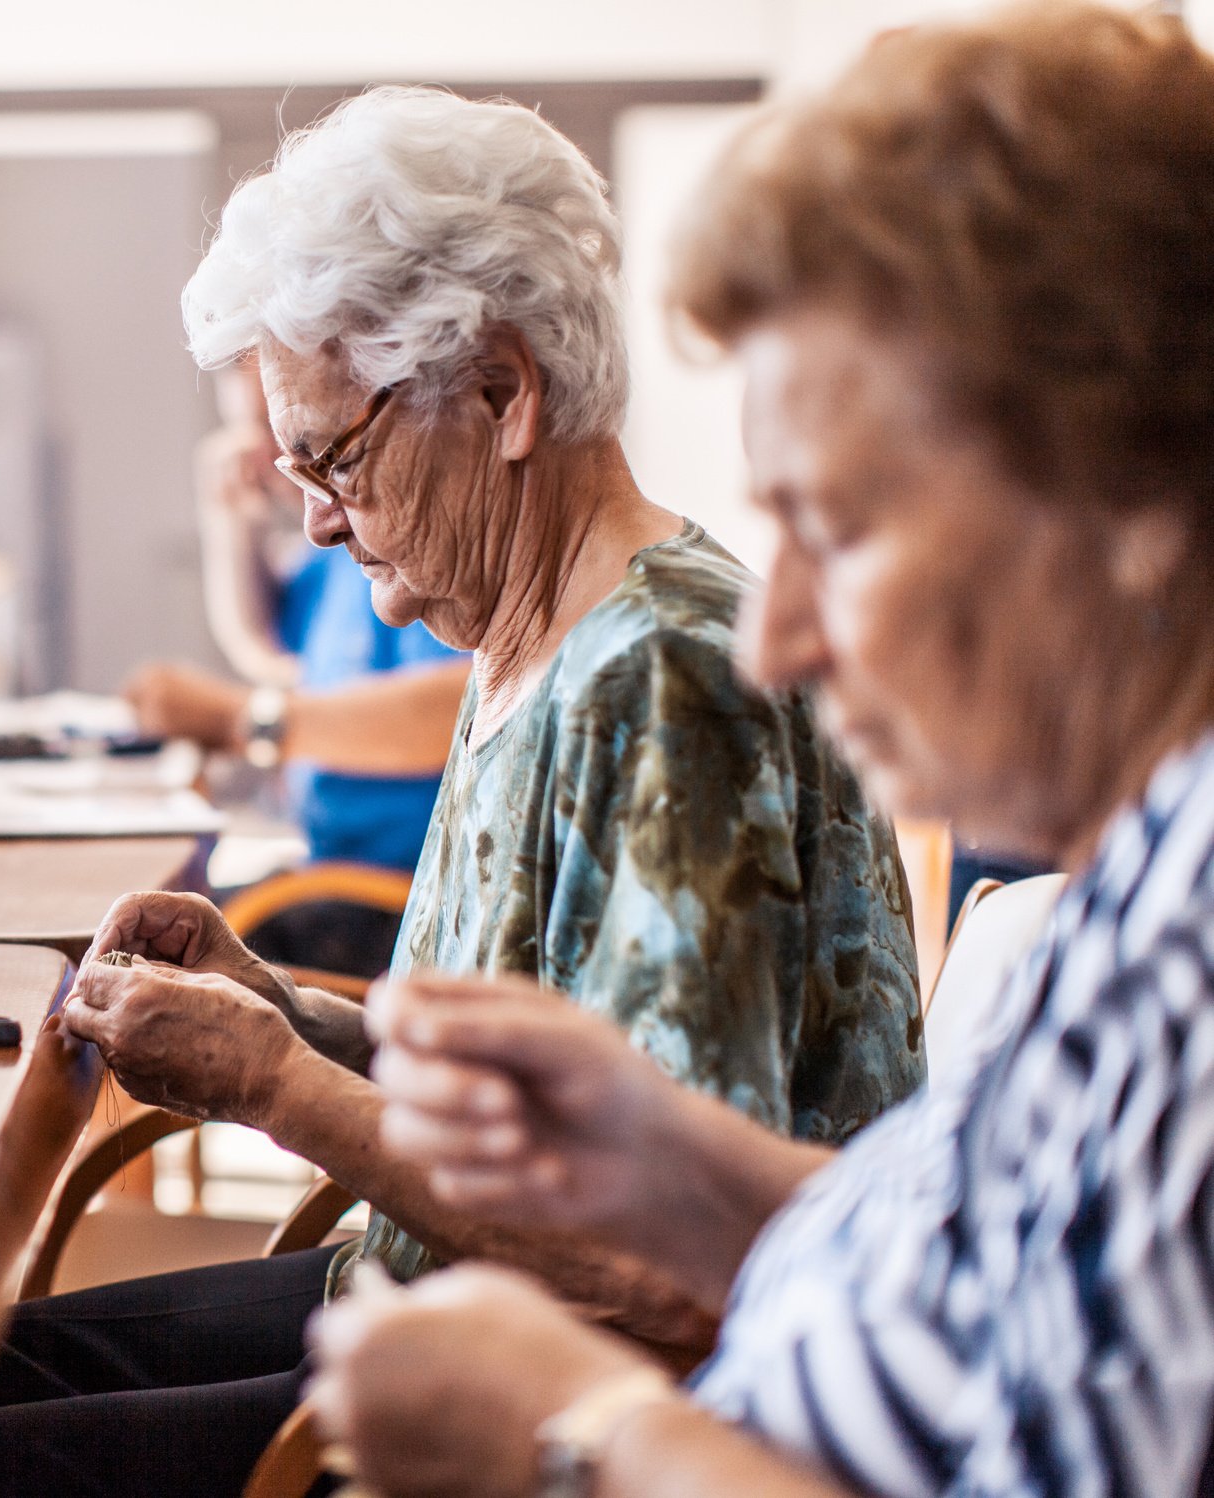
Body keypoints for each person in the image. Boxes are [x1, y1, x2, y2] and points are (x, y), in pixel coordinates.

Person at [0, 86, 921, 1498]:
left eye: (332, 456)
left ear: (503, 394)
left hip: (570, 1401)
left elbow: (664, 1271)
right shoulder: (526, 629)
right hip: (427, 1282)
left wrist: (276, 1086)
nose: (315, 517)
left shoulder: (671, 684)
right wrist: (278, 1009)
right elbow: (532, 1099)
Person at [309, 10, 1214, 1498]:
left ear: (1129, 501)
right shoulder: (1131, 888)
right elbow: (968, 1277)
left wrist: (579, 1441)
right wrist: (661, 1156)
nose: (775, 634)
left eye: (838, 528)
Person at [123, 364, 471, 975]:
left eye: (281, 428)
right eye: (248, 431)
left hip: (396, 896)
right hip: (326, 866)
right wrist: (232, 523)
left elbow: (457, 710)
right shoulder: (340, 555)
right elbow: (265, 642)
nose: (262, 454)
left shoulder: (420, 543)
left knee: (150, 956)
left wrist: (243, 720)